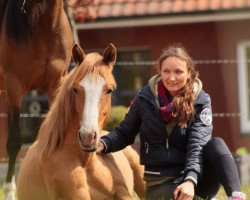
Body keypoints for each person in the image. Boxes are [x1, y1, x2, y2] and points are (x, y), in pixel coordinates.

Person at [97, 44, 246, 200]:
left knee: (216, 143)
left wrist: (190, 180)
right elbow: (124, 133)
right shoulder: (144, 98)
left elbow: (197, 144)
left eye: (178, 71)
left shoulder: (201, 100)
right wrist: (102, 144)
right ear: (160, 72)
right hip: (160, 182)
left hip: (196, 179)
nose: (171, 78)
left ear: (189, 73)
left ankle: (235, 196)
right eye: (166, 72)